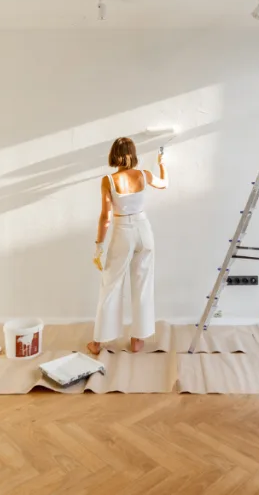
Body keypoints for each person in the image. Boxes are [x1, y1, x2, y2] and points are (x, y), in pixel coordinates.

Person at [88, 137, 168, 355]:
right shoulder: (144, 175)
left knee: (110, 285)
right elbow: (164, 183)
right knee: (142, 284)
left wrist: (99, 246)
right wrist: (161, 162)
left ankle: (98, 343)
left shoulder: (109, 180)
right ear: (133, 153)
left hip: (123, 230)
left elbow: (105, 217)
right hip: (144, 230)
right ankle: (137, 339)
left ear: (114, 154)